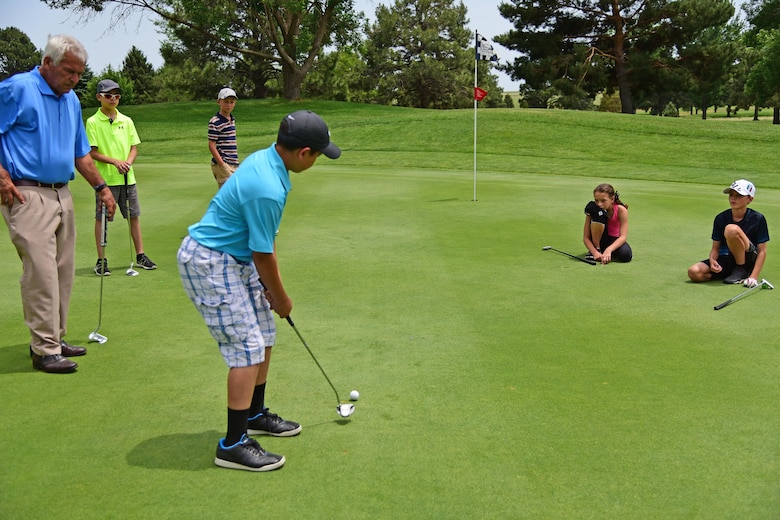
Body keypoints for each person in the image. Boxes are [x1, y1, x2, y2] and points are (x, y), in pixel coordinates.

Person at [178, 110, 341, 471]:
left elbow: (261, 246)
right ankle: (232, 445)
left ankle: (253, 413)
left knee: (264, 334)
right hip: (210, 261)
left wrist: (271, 293)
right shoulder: (267, 187)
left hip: (235, 259)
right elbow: (262, 252)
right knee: (247, 347)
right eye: (318, 154)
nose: (317, 160)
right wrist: (281, 298)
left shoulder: (268, 158)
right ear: (304, 154)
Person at [0, 35, 117, 374]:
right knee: (41, 271)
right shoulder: (17, 89)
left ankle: (54, 337)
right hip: (25, 191)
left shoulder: (70, 101)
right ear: (48, 63)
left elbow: (81, 153)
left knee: (63, 271)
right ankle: (44, 348)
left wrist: (102, 187)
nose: (75, 80)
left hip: (62, 191)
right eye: (69, 72)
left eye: (80, 74)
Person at [86, 79, 157, 276]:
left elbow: (134, 148)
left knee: (134, 216)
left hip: (128, 178)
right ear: (99, 97)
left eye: (117, 95)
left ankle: (141, 255)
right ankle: (101, 261)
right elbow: (92, 152)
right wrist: (115, 162)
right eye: (109, 95)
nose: (113, 99)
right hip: (105, 180)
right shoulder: (92, 122)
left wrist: (127, 162)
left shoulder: (127, 120)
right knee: (102, 219)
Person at [687, 179, 769, 286]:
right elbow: (715, 248)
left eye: (739, 195)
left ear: (750, 199)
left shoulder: (758, 218)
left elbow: (762, 251)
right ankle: (730, 273)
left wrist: (754, 276)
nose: (733, 198)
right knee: (694, 272)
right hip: (727, 259)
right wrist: (712, 261)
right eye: (731, 195)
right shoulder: (720, 218)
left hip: (748, 258)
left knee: (731, 229)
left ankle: (741, 269)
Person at [583, 183, 632, 264]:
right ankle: (597, 248)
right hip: (598, 240)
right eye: (596, 200)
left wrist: (609, 250)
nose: (599, 204)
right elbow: (586, 237)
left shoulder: (621, 210)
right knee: (599, 213)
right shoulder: (592, 210)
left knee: (626, 255)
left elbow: (623, 237)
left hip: (613, 240)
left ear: (612, 199)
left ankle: (606, 252)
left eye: (603, 201)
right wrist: (594, 252)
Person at [208, 87, 239, 188]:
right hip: (223, 163)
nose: (229, 105)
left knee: (236, 194)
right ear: (219, 102)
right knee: (228, 195)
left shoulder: (232, 119)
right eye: (226, 102)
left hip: (233, 162)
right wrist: (222, 164)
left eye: (232, 102)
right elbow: (211, 145)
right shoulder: (215, 121)